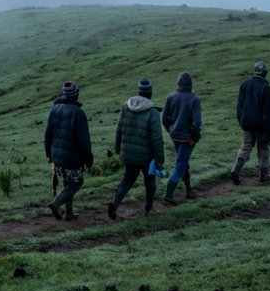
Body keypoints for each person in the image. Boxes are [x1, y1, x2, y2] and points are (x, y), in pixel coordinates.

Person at [107, 78, 165, 221]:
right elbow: (157, 140)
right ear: (150, 93)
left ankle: (115, 203)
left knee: (127, 180)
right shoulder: (152, 112)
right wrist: (159, 161)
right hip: (147, 157)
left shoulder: (126, 106)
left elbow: (118, 130)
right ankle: (148, 209)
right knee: (150, 183)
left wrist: (118, 150)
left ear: (139, 92)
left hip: (128, 154)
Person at [44, 80, 93, 221]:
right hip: (72, 158)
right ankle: (56, 203)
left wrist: (49, 155)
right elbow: (84, 140)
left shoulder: (55, 109)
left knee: (67, 182)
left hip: (57, 156)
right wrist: (88, 158)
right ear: (76, 94)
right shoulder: (78, 113)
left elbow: (48, 135)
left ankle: (69, 213)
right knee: (76, 183)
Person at [161, 72, 202, 204]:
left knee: (183, 163)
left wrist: (171, 130)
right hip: (187, 139)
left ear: (178, 83)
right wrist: (196, 136)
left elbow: (164, 118)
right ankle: (168, 195)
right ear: (190, 84)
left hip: (175, 136)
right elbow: (196, 123)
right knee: (180, 165)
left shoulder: (170, 97)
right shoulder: (194, 99)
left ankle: (189, 190)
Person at [232, 61, 270, 184]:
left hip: (246, 123)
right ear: (265, 73)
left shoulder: (244, 85)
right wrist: (269, 133)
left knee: (245, 147)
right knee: (263, 148)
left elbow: (239, 107)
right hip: (260, 125)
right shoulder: (267, 88)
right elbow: (268, 113)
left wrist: (242, 121)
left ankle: (236, 169)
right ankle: (264, 174)